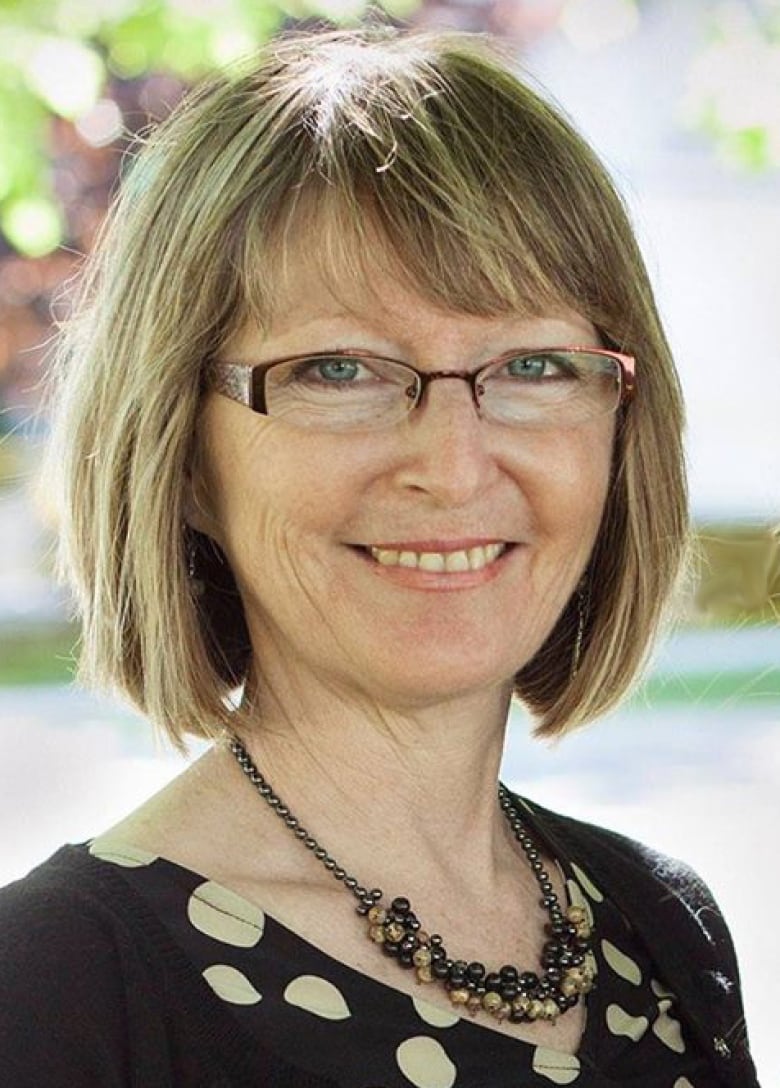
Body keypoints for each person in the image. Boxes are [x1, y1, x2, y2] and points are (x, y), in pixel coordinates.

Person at [0, 25, 760, 1088]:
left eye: (534, 363)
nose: (451, 467)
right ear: (183, 456)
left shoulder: (665, 928)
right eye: (340, 368)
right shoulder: (56, 988)